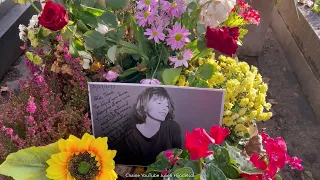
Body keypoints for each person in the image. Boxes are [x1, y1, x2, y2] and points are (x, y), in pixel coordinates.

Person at [114, 87, 182, 166]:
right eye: (159, 103)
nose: (165, 109)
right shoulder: (131, 136)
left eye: (167, 106)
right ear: (144, 106)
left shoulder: (173, 128)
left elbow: (178, 162)